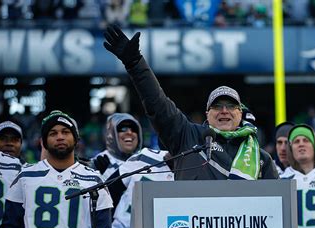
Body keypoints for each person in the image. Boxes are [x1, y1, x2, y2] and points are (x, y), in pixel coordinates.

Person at [103, 25, 278, 180]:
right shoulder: (187, 136)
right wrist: (135, 64)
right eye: (217, 106)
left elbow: (277, 207)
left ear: (240, 113)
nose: (224, 110)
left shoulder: (261, 159)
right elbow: (158, 104)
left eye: (231, 106)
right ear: (207, 114)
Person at [92, 113, 142, 181]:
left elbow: (157, 190)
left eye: (134, 129)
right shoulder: (96, 165)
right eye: (123, 128)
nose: (130, 132)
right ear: (111, 135)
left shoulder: (146, 162)